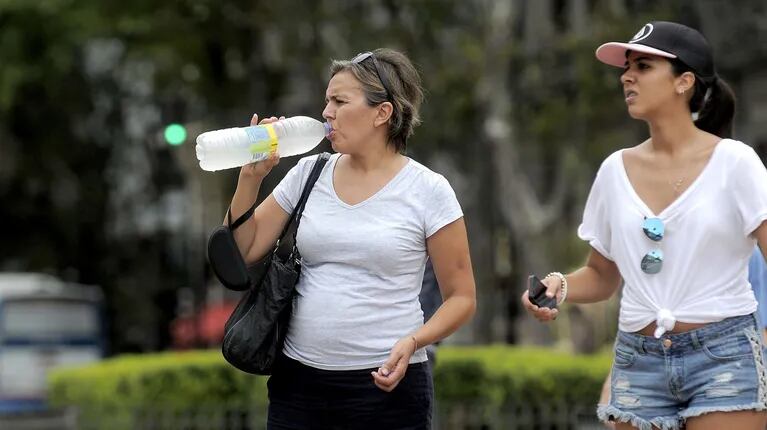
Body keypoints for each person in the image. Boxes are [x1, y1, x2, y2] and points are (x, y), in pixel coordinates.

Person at [522, 21, 767, 430]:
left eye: (643, 66)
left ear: (684, 81)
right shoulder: (614, 170)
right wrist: (559, 286)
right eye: (626, 66)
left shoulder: (736, 163)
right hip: (638, 360)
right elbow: (602, 276)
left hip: (723, 356)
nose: (627, 76)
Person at [227, 48, 476, 429]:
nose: (326, 112)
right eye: (327, 100)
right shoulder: (309, 172)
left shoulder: (429, 190)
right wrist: (251, 177)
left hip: (387, 391)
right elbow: (241, 250)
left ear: (383, 112)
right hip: (298, 386)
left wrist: (414, 341)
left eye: (339, 101)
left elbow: (462, 298)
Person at [598, 246, 767, 429]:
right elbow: (638, 329)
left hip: (726, 372)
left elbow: (762, 330)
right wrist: (616, 381)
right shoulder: (650, 250)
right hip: (650, 372)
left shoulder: (742, 251)